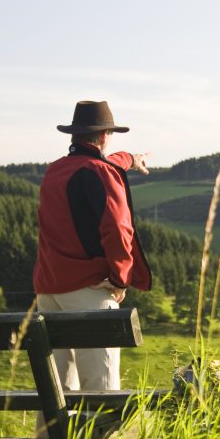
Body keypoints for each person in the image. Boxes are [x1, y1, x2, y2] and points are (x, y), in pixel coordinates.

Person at [33, 100, 152, 396]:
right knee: (101, 388)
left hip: (49, 290)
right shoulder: (100, 172)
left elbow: (109, 162)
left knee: (57, 389)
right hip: (90, 291)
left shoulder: (55, 171)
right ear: (103, 136)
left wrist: (130, 158)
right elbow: (118, 229)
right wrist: (120, 278)